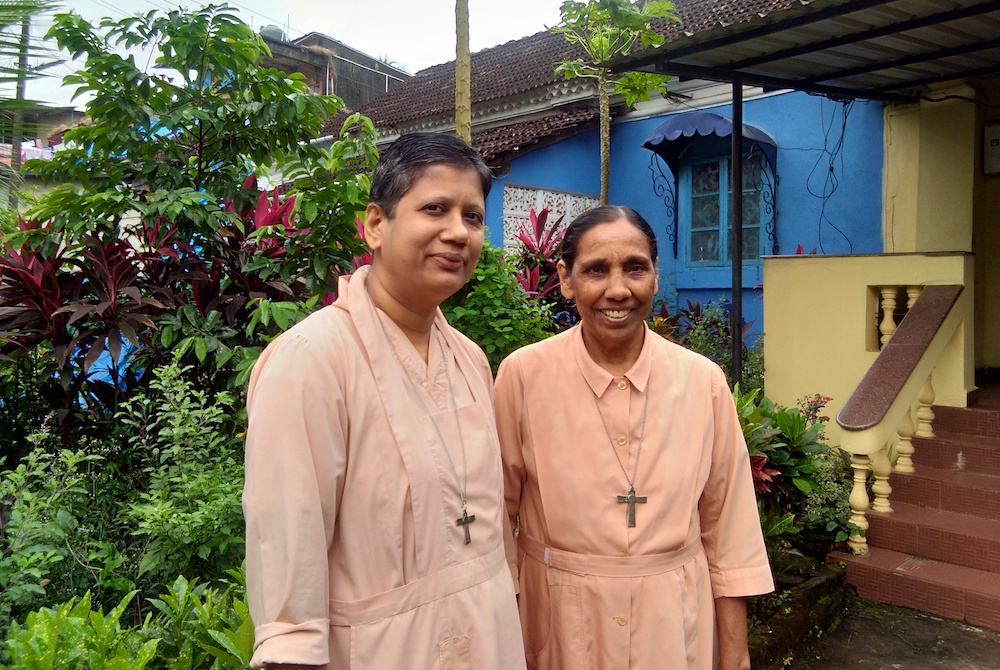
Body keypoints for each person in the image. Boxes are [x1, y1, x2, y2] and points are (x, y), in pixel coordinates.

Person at [243, 133, 526, 669]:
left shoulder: (469, 358)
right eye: (435, 209)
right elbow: (287, 551)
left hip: (488, 641)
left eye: (473, 216)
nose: (458, 232)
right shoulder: (311, 360)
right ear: (376, 224)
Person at [495, 205, 773, 670]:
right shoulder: (523, 376)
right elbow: (497, 516)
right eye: (596, 270)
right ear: (565, 279)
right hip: (560, 626)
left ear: (656, 276)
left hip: (674, 624)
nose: (618, 290)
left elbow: (729, 528)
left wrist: (735, 653)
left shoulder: (701, 382)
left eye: (635, 268)